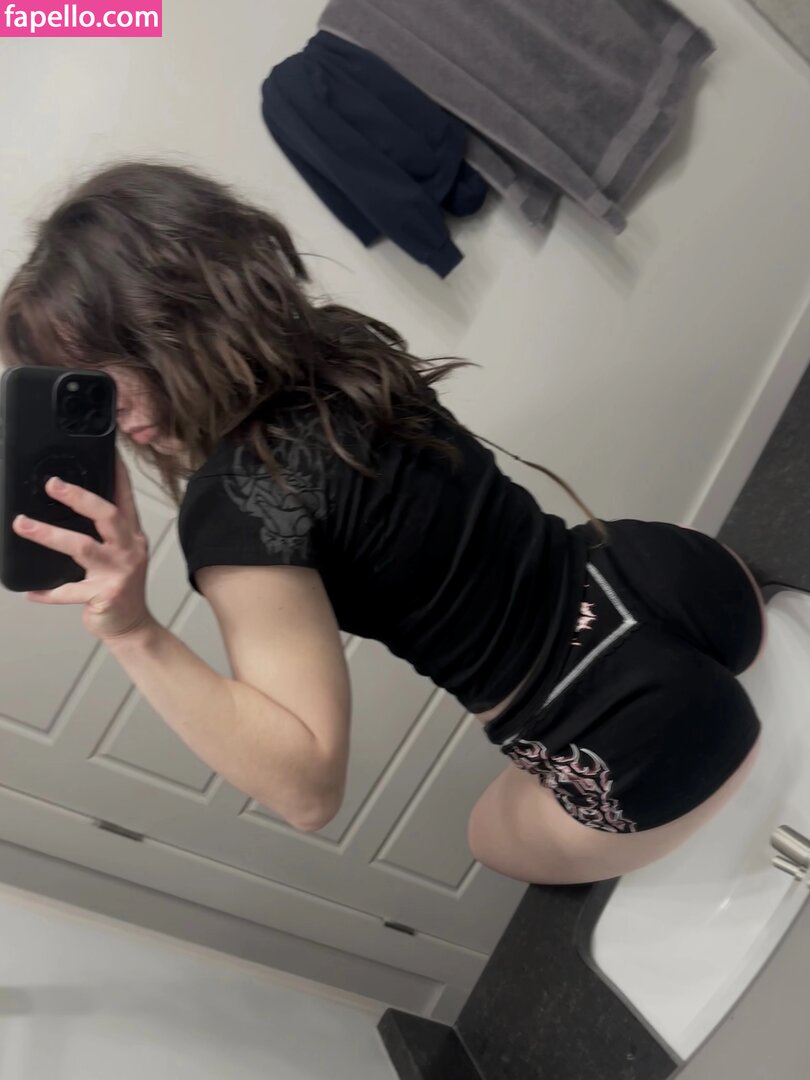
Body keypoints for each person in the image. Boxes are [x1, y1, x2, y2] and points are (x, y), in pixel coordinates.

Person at [0, 163, 765, 885]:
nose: (112, 412)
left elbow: (308, 790)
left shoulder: (238, 505)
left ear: (166, 318)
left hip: (622, 726)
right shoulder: (339, 343)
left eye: (105, 368)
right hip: (674, 574)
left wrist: (132, 630)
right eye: (79, 386)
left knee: (487, 840)